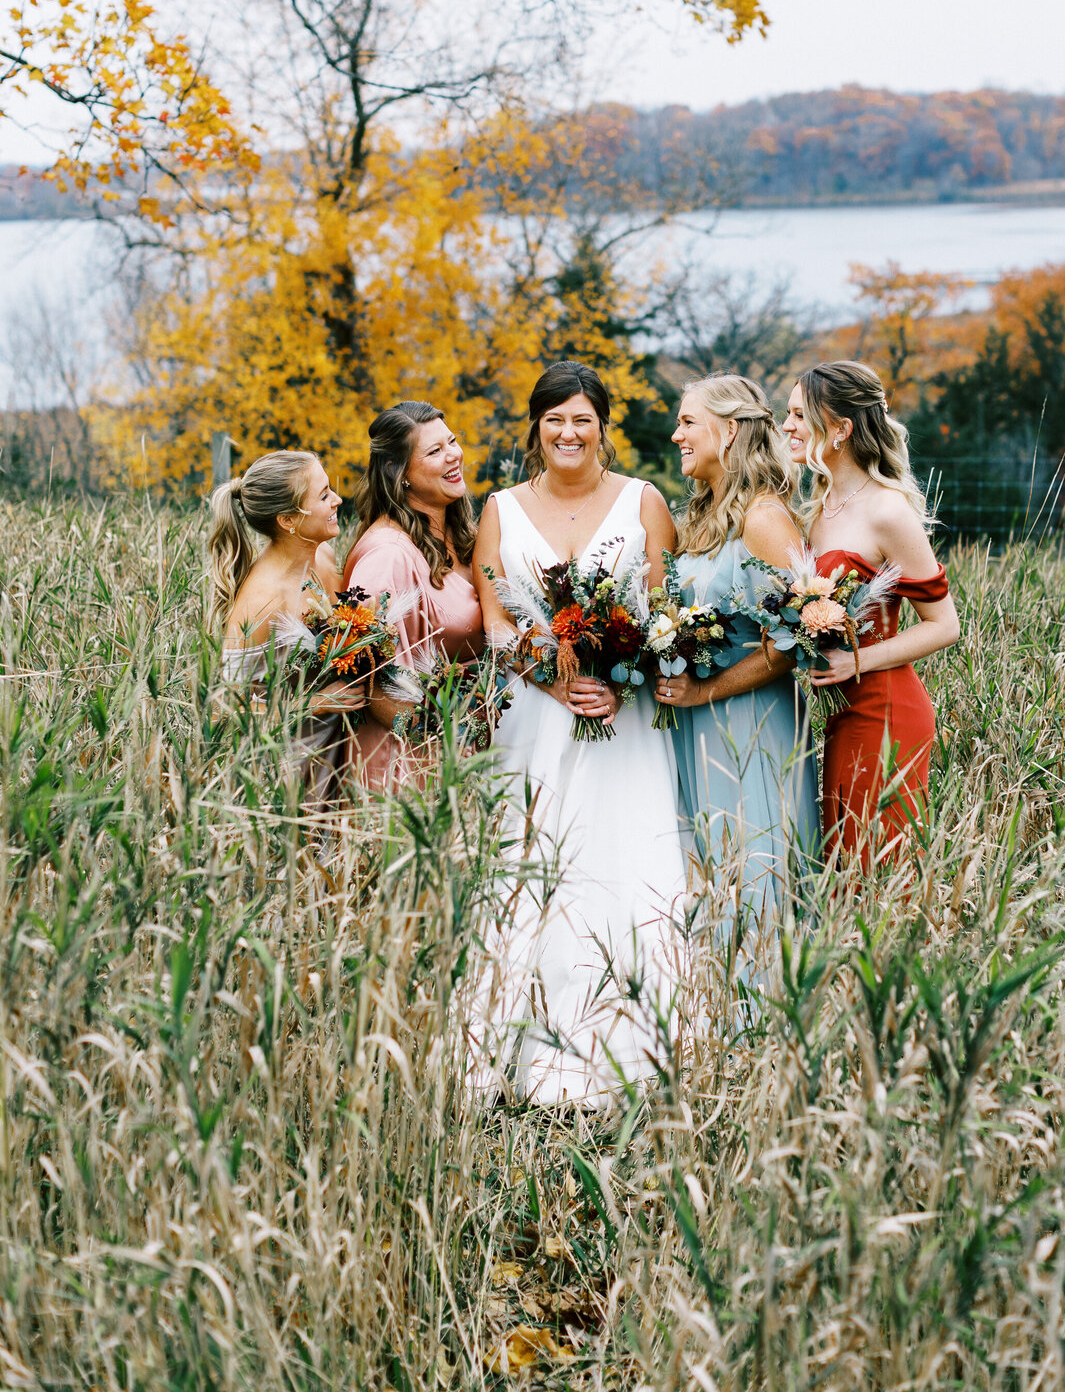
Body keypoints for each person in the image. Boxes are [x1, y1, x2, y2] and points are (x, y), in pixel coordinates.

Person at [472, 360, 685, 1104]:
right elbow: (496, 615)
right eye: (554, 418)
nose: (568, 431)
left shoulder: (644, 501)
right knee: (530, 869)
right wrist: (547, 677)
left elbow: (667, 611)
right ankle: (522, 1053)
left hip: (622, 721)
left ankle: (628, 1051)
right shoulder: (499, 507)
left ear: (603, 428)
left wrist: (623, 678)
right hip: (535, 718)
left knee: (622, 866)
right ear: (535, 426)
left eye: (582, 419)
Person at [654, 376, 821, 942]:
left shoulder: (764, 519)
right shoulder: (703, 519)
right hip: (695, 728)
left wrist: (706, 690)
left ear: (728, 432)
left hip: (751, 726)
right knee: (709, 878)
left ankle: (763, 1018)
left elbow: (793, 641)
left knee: (754, 873)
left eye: (687, 421)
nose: (676, 433)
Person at [782, 361, 960, 869]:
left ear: (841, 429)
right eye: (787, 413)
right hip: (839, 711)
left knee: (875, 872)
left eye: (800, 414)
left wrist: (854, 663)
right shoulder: (815, 508)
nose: (788, 426)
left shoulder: (888, 511)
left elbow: (945, 626)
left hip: (886, 710)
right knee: (842, 865)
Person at [342, 401, 484, 789]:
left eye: (451, 442)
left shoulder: (458, 532)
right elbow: (368, 676)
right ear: (399, 472)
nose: (453, 455)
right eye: (435, 451)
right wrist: (444, 734)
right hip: (407, 767)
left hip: (460, 753)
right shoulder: (389, 555)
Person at [207, 449, 355, 802]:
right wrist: (313, 703)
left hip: (340, 760)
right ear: (288, 520)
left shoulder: (323, 558)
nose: (337, 499)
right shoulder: (262, 602)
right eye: (323, 495)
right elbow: (224, 712)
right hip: (284, 778)